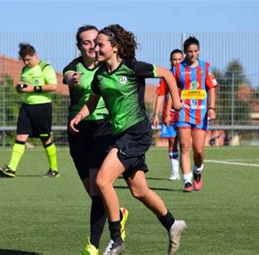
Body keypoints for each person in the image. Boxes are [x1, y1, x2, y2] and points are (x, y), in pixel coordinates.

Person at [69, 24, 187, 255]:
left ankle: (116, 240)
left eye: (100, 44)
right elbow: (93, 102)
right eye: (93, 44)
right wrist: (80, 116)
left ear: (116, 47)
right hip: (120, 134)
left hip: (137, 133)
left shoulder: (132, 68)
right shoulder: (100, 75)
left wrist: (176, 101)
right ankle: (172, 224)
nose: (95, 47)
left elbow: (167, 74)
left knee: (102, 181)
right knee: (139, 190)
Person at [63, 25, 128, 255]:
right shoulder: (74, 67)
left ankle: (92, 246)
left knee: (98, 187)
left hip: (103, 129)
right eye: (86, 42)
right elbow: (68, 76)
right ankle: (117, 214)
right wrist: (72, 80)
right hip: (78, 130)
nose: (92, 46)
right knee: (93, 192)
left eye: (95, 41)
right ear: (79, 46)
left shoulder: (107, 66)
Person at [0, 43, 59, 178]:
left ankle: (54, 169)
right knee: (20, 136)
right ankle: (11, 168)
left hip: (42, 107)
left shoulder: (45, 68)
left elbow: (53, 86)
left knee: (45, 139)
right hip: (26, 107)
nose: (25, 62)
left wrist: (33, 89)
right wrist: (19, 89)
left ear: (35, 55)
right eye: (23, 60)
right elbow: (24, 87)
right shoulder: (24, 69)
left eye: (28, 59)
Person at [169, 37, 217, 192]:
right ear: (185, 52)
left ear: (199, 51)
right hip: (183, 112)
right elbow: (170, 85)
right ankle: (187, 180)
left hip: (200, 114)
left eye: (195, 51)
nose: (193, 54)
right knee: (184, 146)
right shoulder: (178, 68)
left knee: (198, 150)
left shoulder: (206, 67)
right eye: (189, 51)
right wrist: (174, 104)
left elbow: (211, 88)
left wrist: (211, 107)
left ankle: (197, 171)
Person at [152, 49, 183, 181]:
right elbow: (160, 95)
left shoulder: (188, 74)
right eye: (174, 59)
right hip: (169, 114)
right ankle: (175, 171)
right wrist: (156, 115)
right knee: (171, 142)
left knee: (185, 142)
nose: (176, 62)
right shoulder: (166, 75)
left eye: (179, 59)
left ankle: (188, 171)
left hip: (184, 113)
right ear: (170, 61)